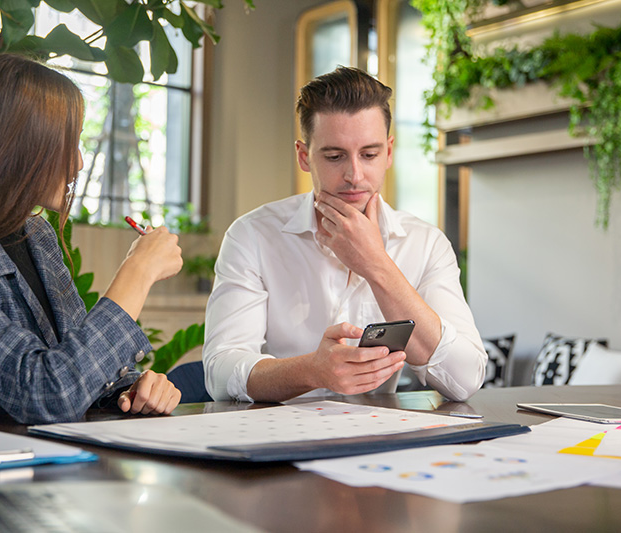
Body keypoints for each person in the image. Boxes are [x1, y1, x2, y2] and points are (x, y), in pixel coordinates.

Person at [0, 54, 183, 424]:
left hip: (51, 466)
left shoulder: (36, 235)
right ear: (18, 148)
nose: (77, 162)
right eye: (68, 143)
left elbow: (75, 366)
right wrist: (137, 272)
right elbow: (45, 394)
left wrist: (130, 389)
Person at [203, 66, 486, 403]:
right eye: (335, 156)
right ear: (304, 156)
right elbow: (220, 372)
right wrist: (312, 370)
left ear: (389, 152)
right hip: (277, 440)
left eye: (369, 155)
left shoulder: (426, 244)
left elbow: (464, 379)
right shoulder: (251, 236)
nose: (354, 174)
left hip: (377, 441)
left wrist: (376, 264)